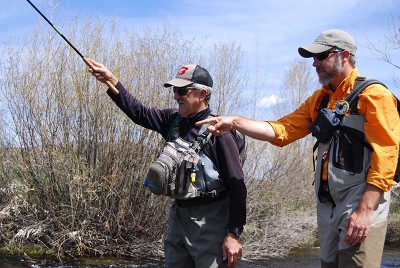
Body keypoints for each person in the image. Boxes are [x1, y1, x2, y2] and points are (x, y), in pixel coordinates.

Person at [197, 29, 400, 267]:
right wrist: (234, 122)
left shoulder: (374, 95)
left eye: (321, 56)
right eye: (313, 57)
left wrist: (365, 210)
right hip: (328, 207)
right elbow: (282, 130)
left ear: (344, 56)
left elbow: (387, 155)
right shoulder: (319, 99)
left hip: (361, 203)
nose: (314, 63)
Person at [87, 59, 247, 268]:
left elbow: (237, 184)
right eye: (175, 90)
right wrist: (111, 81)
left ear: (202, 94)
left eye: (183, 91)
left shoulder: (220, 133)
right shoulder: (172, 119)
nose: (176, 96)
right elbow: (139, 113)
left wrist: (233, 233)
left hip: (212, 219)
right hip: (178, 217)